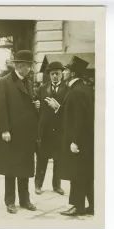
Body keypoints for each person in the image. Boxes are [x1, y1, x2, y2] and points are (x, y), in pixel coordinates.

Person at [45, 56, 94, 216]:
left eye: (65, 70)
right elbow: (73, 114)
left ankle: (77, 206)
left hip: (78, 142)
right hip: (84, 142)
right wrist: (59, 108)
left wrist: (75, 141)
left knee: (77, 174)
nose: (63, 73)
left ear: (72, 74)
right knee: (85, 174)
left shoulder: (77, 91)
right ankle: (92, 206)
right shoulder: (80, 88)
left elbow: (80, 119)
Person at [0, 50, 40, 214]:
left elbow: (27, 105)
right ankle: (10, 201)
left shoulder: (28, 82)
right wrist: (4, 129)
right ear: (17, 65)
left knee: (25, 168)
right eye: (24, 65)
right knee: (10, 169)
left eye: (28, 66)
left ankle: (25, 200)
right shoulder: (4, 82)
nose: (26, 68)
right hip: (11, 134)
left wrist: (36, 106)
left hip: (26, 134)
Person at [34, 61, 69, 196]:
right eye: (53, 74)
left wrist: (58, 107)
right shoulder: (42, 89)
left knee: (58, 159)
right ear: (49, 75)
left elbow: (69, 110)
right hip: (45, 130)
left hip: (60, 130)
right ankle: (38, 185)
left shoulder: (67, 89)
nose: (55, 76)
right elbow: (35, 105)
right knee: (42, 159)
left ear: (62, 74)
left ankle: (57, 185)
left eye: (58, 74)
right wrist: (36, 106)